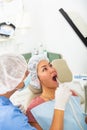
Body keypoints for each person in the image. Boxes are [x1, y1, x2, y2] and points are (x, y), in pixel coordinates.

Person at [0, 53, 71, 130]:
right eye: (24, 73)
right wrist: (59, 106)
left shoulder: (7, 110)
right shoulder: (10, 116)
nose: (28, 74)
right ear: (11, 79)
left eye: (50, 65)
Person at [26, 54, 87, 130]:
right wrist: (59, 105)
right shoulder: (33, 109)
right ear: (37, 79)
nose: (52, 70)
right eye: (44, 69)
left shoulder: (69, 92)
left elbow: (80, 121)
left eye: (50, 65)